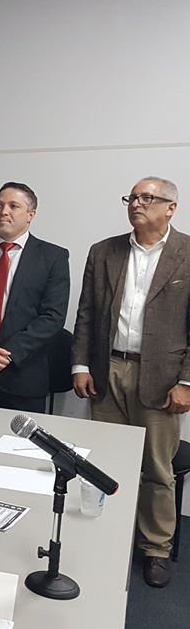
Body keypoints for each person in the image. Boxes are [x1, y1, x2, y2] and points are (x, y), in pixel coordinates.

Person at [72, 176, 190, 588]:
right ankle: (107, 538)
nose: (136, 203)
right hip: (107, 369)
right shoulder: (103, 251)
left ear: (171, 207)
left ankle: (155, 548)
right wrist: (80, 365)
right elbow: (87, 313)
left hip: (161, 378)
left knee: (157, 469)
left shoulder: (187, 253)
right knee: (104, 463)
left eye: (147, 198)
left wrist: (187, 382)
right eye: (132, 197)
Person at [0, 182, 70, 428]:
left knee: (19, 449)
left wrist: (8, 353)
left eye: (13, 206)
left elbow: (52, 316)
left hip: (24, 378)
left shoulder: (53, 257)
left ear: (30, 215)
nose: (3, 211)